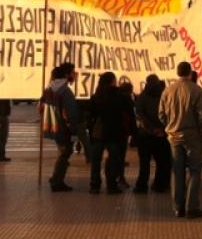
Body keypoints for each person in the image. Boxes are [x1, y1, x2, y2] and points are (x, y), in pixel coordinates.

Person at [159, 61, 202, 219]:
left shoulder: (168, 90)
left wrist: (169, 125)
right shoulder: (197, 91)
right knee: (195, 170)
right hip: (192, 134)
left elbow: (161, 114)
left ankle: (178, 207)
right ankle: (191, 206)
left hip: (173, 135)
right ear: (190, 73)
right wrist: (201, 129)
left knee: (177, 171)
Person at [88, 72, 134, 194]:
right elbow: (129, 112)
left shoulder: (96, 96)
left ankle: (94, 185)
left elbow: (90, 115)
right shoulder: (120, 96)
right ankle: (111, 185)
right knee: (113, 159)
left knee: (96, 160)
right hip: (114, 132)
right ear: (112, 81)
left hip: (98, 132)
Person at [40, 63, 81, 192]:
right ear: (67, 74)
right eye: (73, 72)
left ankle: (57, 179)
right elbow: (70, 114)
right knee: (65, 152)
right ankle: (57, 180)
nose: (74, 75)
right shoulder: (65, 91)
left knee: (62, 152)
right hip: (64, 128)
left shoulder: (48, 89)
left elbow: (41, 108)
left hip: (52, 126)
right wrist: (74, 130)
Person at [134, 75, 171, 193]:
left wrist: (151, 128)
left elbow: (140, 114)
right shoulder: (165, 96)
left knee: (144, 162)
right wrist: (162, 129)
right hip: (162, 135)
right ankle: (160, 184)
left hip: (145, 135)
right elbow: (169, 114)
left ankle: (142, 185)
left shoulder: (142, 96)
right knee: (162, 162)